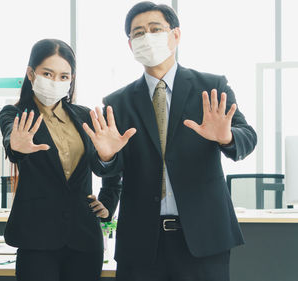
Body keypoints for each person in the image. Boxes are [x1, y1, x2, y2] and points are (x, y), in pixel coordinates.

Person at [86, 2, 257, 280]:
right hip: (141, 241)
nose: (147, 37)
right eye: (138, 33)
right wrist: (106, 157)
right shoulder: (117, 102)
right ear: (130, 45)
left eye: (155, 29)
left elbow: (248, 138)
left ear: (175, 35)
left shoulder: (211, 87)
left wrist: (226, 137)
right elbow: (107, 168)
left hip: (204, 238)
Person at [0, 39, 134, 281]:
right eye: (47, 74)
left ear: (71, 80)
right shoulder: (15, 114)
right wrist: (16, 146)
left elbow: (111, 168)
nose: (55, 82)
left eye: (63, 76)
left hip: (84, 238)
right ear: (31, 74)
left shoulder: (85, 116)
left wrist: (107, 202)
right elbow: (13, 144)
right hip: (37, 238)